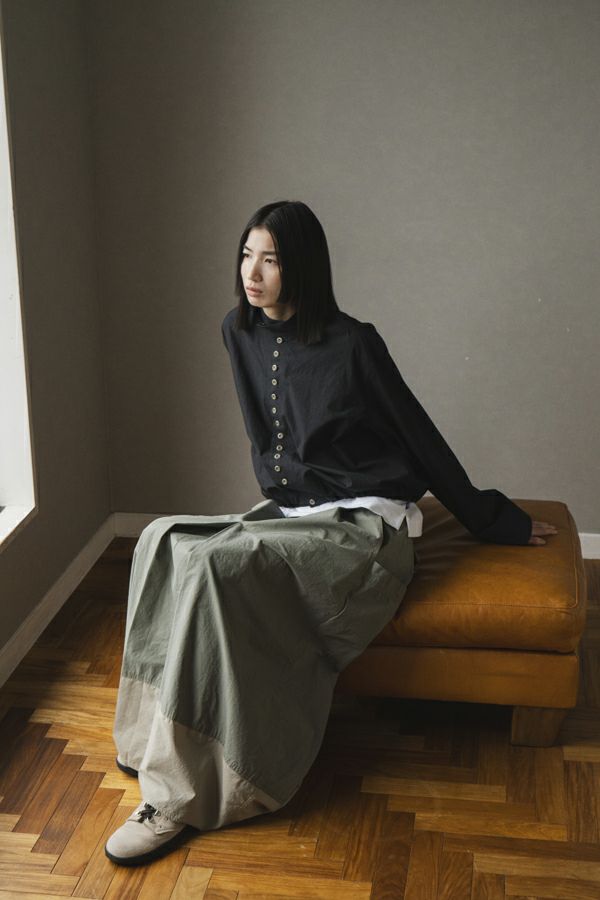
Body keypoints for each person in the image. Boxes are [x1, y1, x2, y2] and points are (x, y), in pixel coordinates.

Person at [105, 200, 557, 866]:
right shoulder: (238, 330)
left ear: (303, 268)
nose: (252, 273)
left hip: (366, 528)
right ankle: (150, 738)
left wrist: (494, 519)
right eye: (246, 255)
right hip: (296, 516)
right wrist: (281, 497)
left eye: (271, 259)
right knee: (162, 540)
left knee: (213, 568)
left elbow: (421, 438)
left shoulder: (353, 343)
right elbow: (268, 439)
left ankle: (179, 796)